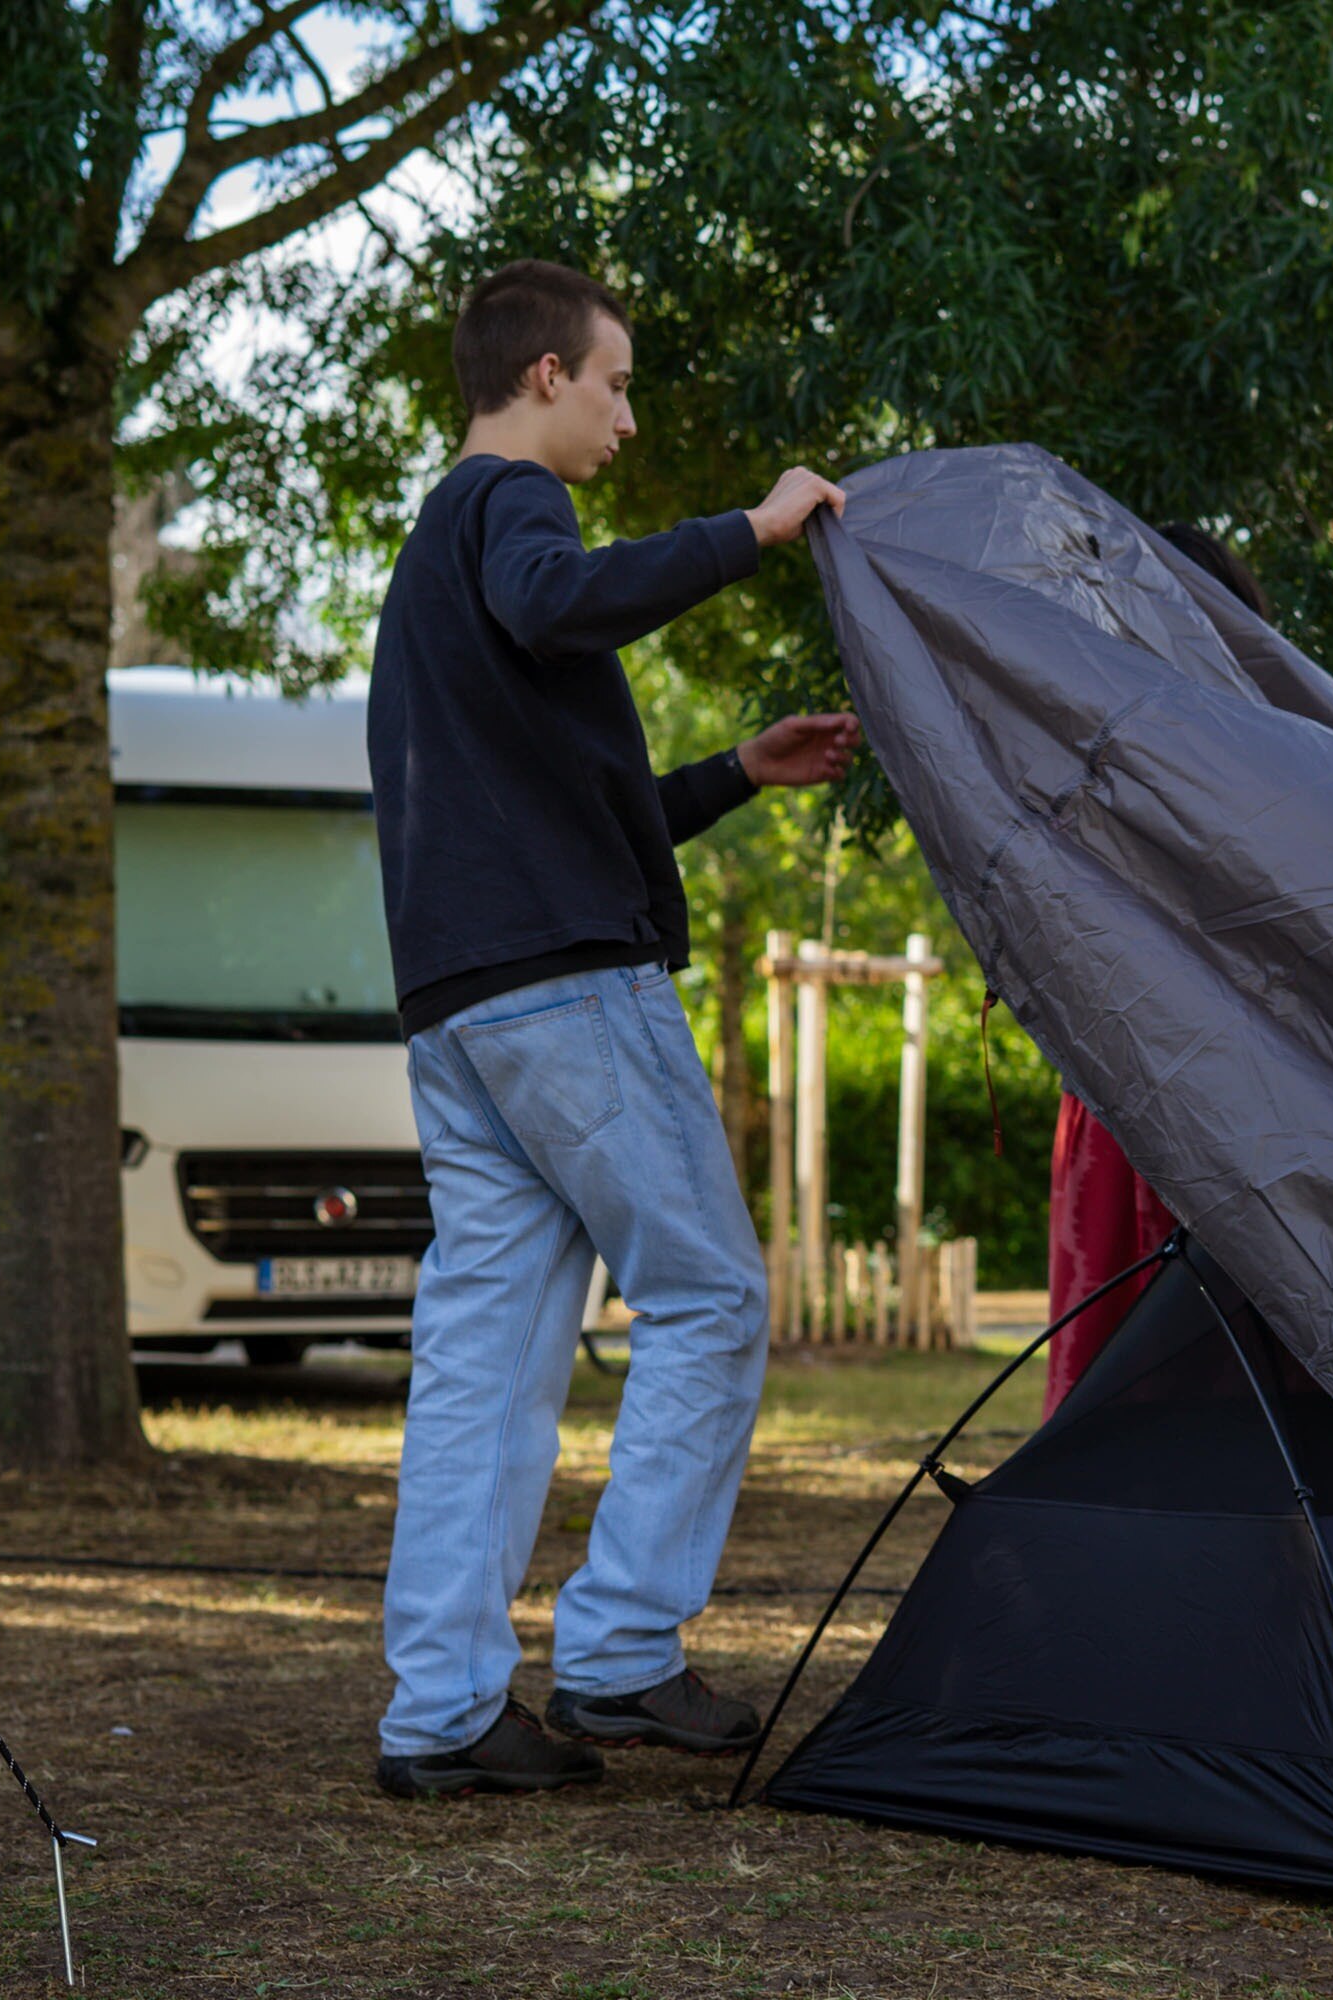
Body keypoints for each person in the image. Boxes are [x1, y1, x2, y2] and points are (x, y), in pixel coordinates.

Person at [366, 259, 859, 1800]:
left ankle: (440, 1715)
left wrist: (734, 774)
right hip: (571, 995)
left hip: (465, 1010)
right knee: (710, 1296)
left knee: (487, 1366)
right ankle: (624, 1652)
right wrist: (758, 533)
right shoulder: (512, 512)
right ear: (538, 381)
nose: (627, 418)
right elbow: (559, 597)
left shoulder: (429, 566)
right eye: (617, 382)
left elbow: (576, 817)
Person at [1040, 524, 1275, 1416]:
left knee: (1203, 1351)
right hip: (1130, 1091)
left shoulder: (1251, 750)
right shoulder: (1090, 737)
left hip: (1214, 1096)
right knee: (1128, 1343)